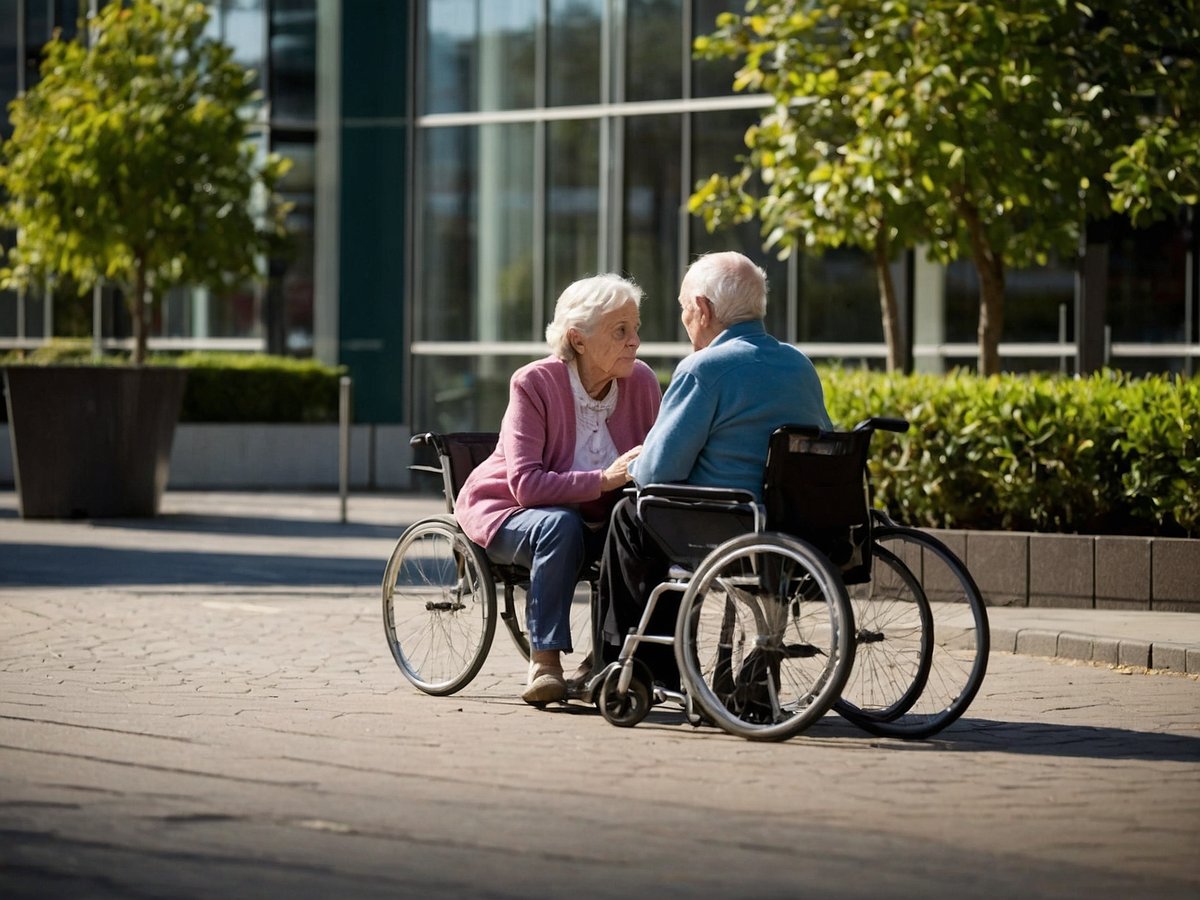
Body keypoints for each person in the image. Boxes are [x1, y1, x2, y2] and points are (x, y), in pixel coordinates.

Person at [597, 251, 832, 687]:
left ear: (703, 309)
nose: (685, 321)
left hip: (728, 526)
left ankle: (634, 665)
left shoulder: (705, 369)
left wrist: (633, 465)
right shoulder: (799, 364)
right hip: (799, 526)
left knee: (631, 515)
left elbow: (658, 472)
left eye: (685, 309)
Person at [455, 273, 661, 705]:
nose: (635, 341)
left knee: (640, 529)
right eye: (621, 331)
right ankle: (545, 663)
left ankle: (609, 662)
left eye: (636, 329)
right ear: (578, 339)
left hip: (597, 516)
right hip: (509, 510)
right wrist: (604, 479)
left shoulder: (640, 381)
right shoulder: (535, 383)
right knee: (560, 525)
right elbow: (527, 486)